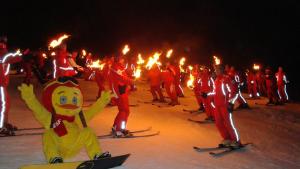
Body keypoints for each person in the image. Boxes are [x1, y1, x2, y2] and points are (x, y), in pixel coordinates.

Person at [208, 65, 242, 148]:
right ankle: (227, 138)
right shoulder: (216, 80)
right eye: (215, 70)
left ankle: (236, 140)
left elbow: (234, 92)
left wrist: (231, 103)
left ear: (221, 70)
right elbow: (215, 92)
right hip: (217, 105)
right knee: (218, 123)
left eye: (217, 70)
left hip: (225, 105)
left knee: (228, 123)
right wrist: (207, 95)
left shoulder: (227, 79)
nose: (215, 71)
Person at [0, 36, 22, 135]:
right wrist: (20, 55)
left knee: (6, 103)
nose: (4, 44)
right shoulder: (2, 51)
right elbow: (7, 57)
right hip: (0, 82)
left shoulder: (3, 50)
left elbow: (8, 57)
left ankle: (4, 123)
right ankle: (1, 127)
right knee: (3, 104)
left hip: (2, 82)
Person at [110, 55, 134, 137]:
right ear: (119, 59)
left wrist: (130, 79)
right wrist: (131, 81)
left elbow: (124, 77)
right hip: (120, 91)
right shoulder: (116, 67)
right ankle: (119, 130)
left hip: (122, 90)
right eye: (122, 59)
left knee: (123, 110)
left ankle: (116, 127)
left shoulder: (119, 67)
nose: (123, 60)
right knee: (124, 110)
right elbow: (122, 78)